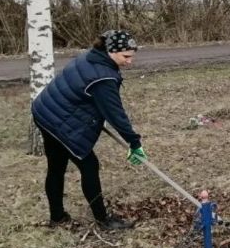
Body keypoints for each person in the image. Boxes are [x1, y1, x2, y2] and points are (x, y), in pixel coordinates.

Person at [31, 30, 147, 230]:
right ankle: (103, 220)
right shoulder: (103, 78)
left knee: (56, 166)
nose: (130, 62)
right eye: (126, 56)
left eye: (132, 57)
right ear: (111, 51)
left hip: (45, 111)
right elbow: (116, 114)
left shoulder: (92, 56)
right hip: (58, 119)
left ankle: (57, 217)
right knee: (89, 166)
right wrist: (134, 142)